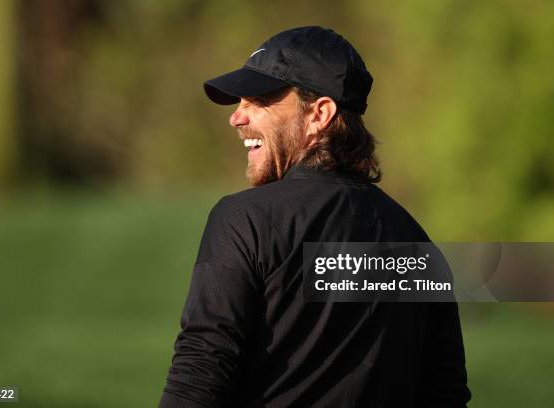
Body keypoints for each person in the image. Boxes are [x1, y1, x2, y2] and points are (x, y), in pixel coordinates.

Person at [159, 26, 470, 407]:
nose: (236, 118)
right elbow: (445, 397)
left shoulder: (244, 220)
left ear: (319, 114)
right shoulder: (418, 244)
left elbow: (200, 373)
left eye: (258, 99)